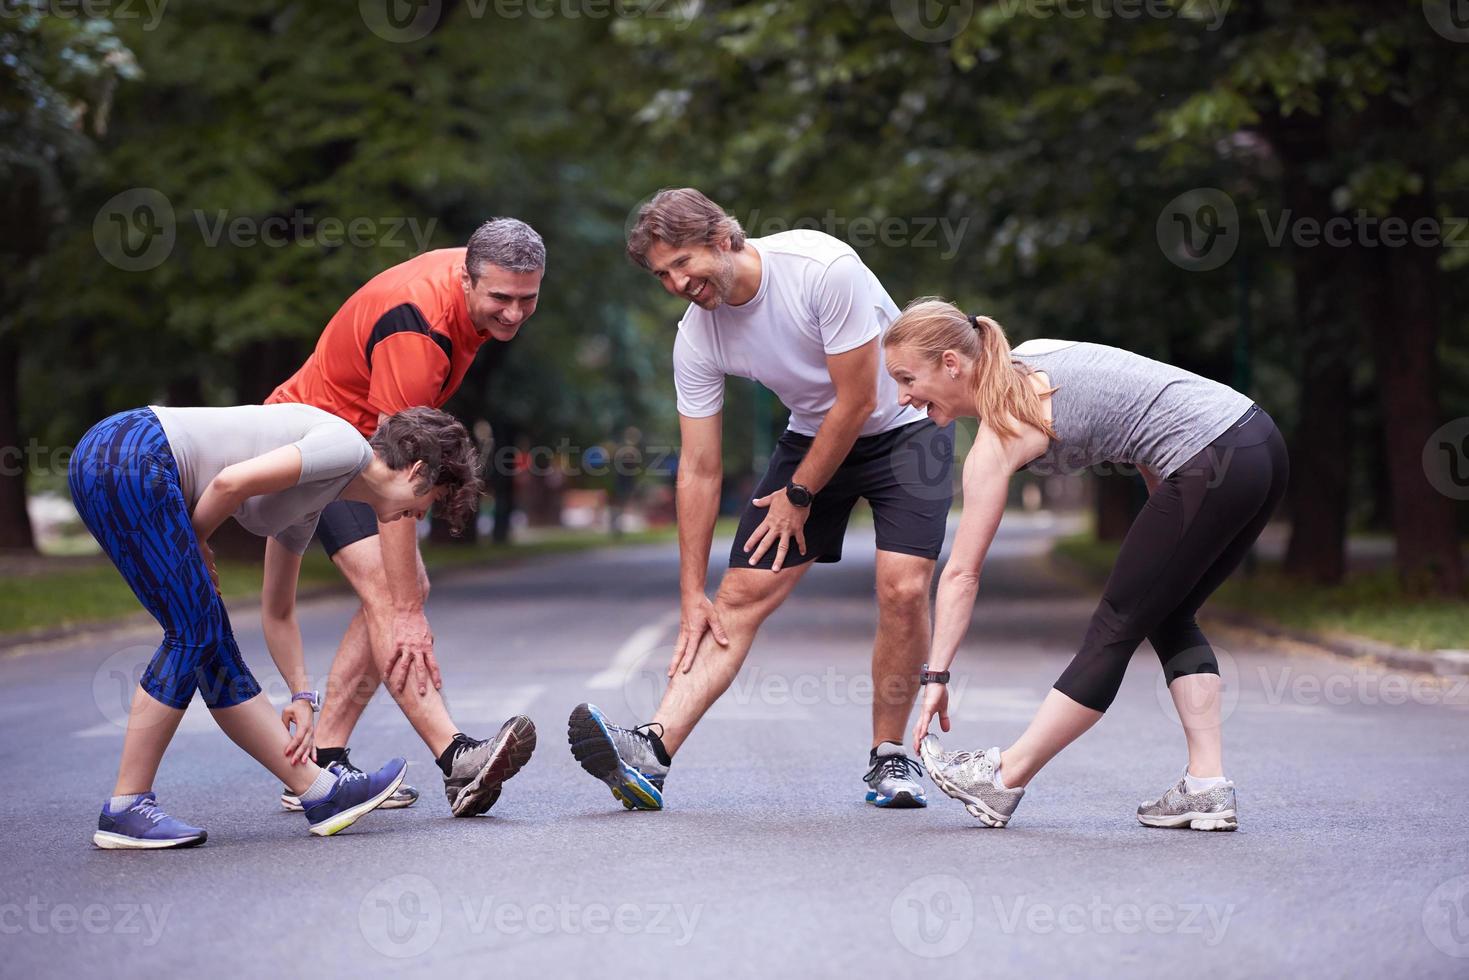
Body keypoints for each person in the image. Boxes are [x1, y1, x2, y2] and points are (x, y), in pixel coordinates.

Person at [567, 188, 954, 811]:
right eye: (662, 274)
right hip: (813, 435)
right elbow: (698, 467)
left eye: (683, 263)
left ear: (724, 239)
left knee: (903, 587)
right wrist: (691, 591)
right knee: (738, 597)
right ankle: (650, 753)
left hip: (905, 429)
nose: (675, 283)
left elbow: (855, 400)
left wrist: (799, 493)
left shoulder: (822, 271)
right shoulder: (697, 337)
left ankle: (889, 758)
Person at [881, 298, 1288, 830]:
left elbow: (962, 572)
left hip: (1210, 457)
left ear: (952, 365)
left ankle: (1003, 778)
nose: (903, 397)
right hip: (1259, 444)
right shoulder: (1033, 358)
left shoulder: (999, 437)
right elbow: (1140, 408)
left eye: (908, 379)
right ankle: (1207, 786)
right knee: (1167, 613)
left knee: (1114, 627)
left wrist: (934, 675)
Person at [69, 403, 498, 847]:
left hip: (122, 460)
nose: (423, 515)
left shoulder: (317, 498)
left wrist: (301, 696)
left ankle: (321, 792)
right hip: (130, 453)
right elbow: (228, 483)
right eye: (433, 501)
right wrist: (197, 543)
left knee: (214, 647)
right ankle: (126, 807)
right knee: (194, 632)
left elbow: (277, 609)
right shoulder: (344, 448)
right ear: (417, 472)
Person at [265, 218, 544, 815]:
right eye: (500, 299)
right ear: (468, 279)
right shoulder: (418, 331)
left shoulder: (471, 275)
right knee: (394, 595)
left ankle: (323, 761)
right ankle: (456, 757)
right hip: (314, 444)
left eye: (528, 299)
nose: (514, 314)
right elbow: (397, 474)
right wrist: (410, 616)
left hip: (349, 445)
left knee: (403, 585)